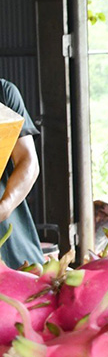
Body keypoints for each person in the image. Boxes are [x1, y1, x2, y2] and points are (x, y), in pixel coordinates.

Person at [0, 77, 43, 268]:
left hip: (9, 233)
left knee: (27, 289)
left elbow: (28, 161)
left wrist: (6, 206)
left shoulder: (3, 94)